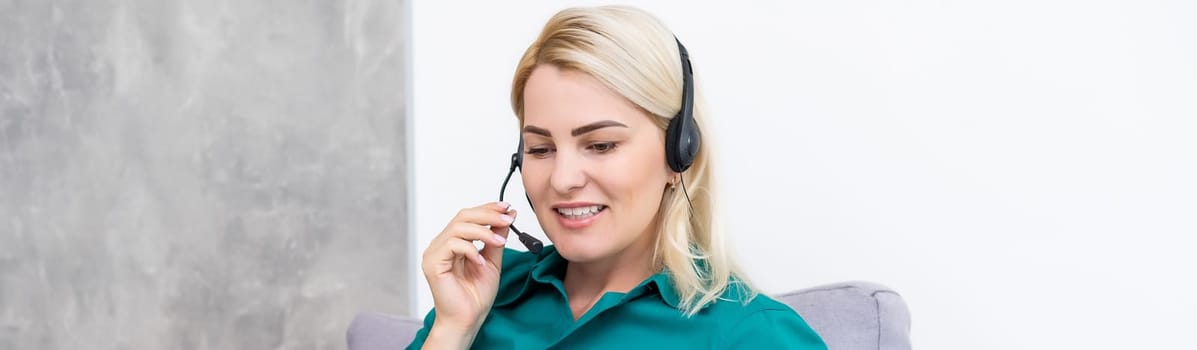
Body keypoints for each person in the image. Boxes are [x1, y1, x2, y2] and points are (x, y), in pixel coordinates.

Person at [409, 5, 826, 349]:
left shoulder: (755, 334)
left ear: (677, 154)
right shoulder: (479, 295)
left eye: (601, 145)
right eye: (541, 149)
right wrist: (452, 330)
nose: (563, 179)